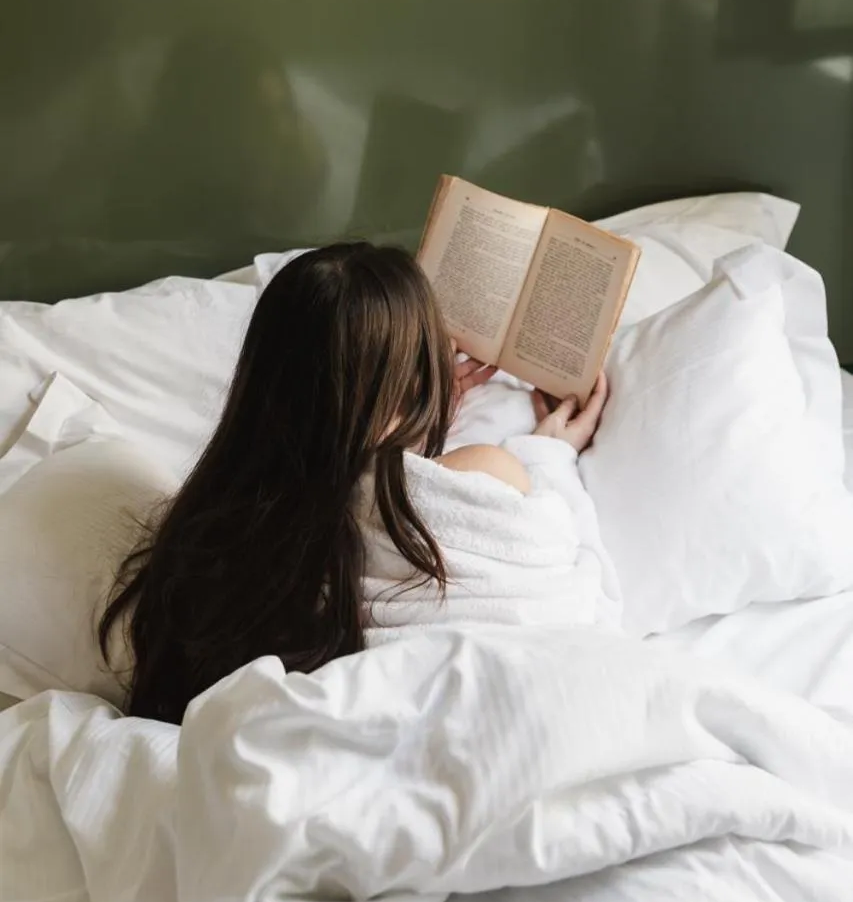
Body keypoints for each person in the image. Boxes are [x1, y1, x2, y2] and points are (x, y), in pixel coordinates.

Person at [99, 243, 612, 724]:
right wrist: (550, 454)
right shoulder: (485, 473)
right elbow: (586, 610)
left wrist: (410, 413)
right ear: (418, 376)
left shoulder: (206, 531)